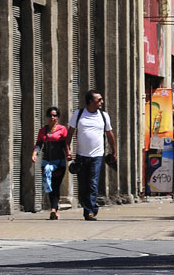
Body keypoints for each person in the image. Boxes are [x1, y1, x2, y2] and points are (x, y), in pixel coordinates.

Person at [65, 89, 117, 221]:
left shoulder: (104, 116)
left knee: (93, 184)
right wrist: (68, 150)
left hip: (97, 156)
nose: (102, 102)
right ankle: (91, 208)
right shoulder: (79, 114)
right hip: (81, 156)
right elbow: (70, 133)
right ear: (90, 101)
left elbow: (110, 134)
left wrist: (114, 151)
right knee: (83, 186)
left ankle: (89, 212)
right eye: (99, 100)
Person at [31, 106, 68, 220]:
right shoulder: (43, 130)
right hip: (46, 163)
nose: (52, 117)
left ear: (58, 117)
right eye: (50, 115)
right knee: (50, 185)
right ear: (47, 117)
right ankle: (55, 209)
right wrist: (34, 153)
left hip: (59, 163)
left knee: (56, 186)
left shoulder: (62, 129)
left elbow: (65, 145)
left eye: (55, 115)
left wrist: (69, 154)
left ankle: (53, 209)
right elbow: (38, 144)